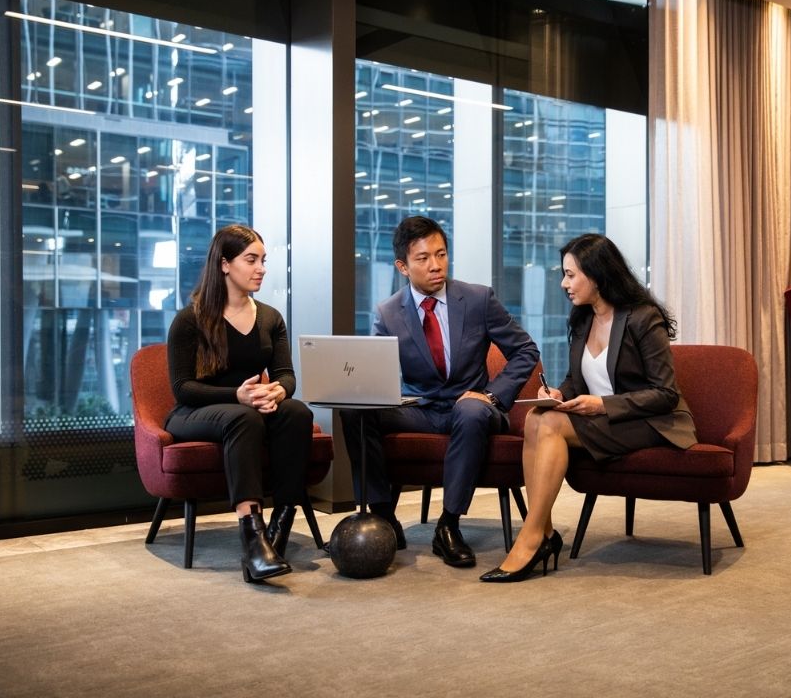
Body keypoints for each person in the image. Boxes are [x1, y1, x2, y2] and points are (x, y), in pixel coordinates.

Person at [480, 233, 698, 582]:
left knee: (548, 425)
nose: (564, 283)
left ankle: (532, 537)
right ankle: (544, 534)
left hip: (651, 422)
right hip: (604, 420)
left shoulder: (643, 318)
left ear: (597, 274)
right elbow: (576, 381)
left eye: (571, 274)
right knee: (538, 417)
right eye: (564, 274)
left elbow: (665, 393)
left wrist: (602, 404)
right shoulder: (582, 318)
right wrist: (558, 394)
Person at [341, 216, 539, 568]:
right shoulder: (388, 312)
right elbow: (374, 369)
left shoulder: (478, 299)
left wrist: (492, 395)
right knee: (355, 411)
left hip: (474, 409)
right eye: (422, 258)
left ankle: (448, 526)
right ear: (403, 266)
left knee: (471, 410)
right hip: (421, 408)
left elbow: (526, 351)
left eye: (441, 254)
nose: (435, 265)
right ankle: (385, 516)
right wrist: (356, 386)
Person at [165, 225, 312, 584]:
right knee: (243, 418)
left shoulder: (270, 318)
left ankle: (280, 524)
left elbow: (287, 376)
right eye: (251, 260)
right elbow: (182, 388)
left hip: (249, 406)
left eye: (263, 260)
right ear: (225, 264)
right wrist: (237, 395)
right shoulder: (190, 319)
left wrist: (279, 392)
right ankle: (252, 537)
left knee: (297, 412)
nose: (261, 268)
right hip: (196, 411)